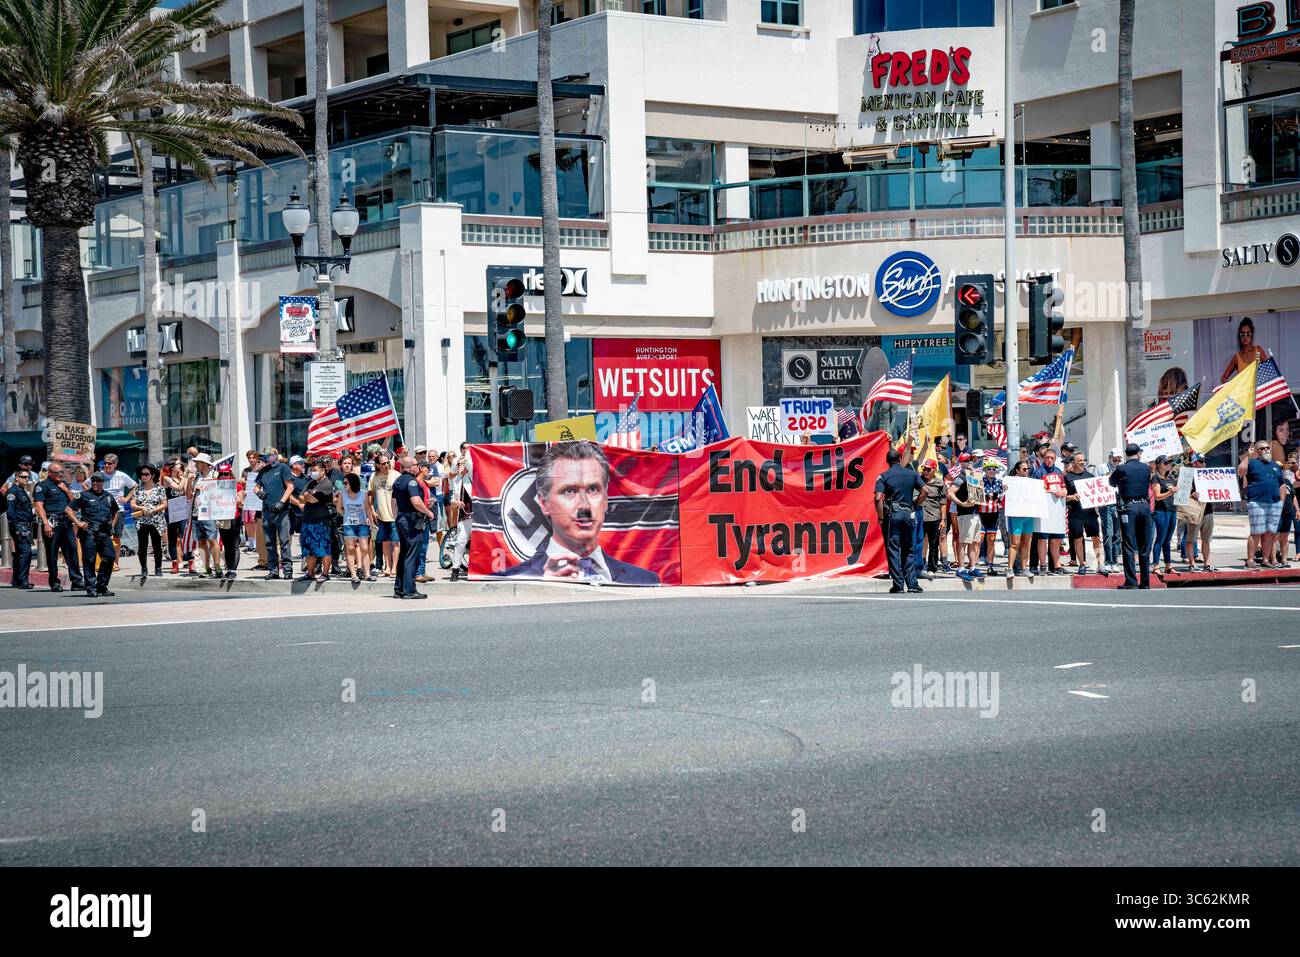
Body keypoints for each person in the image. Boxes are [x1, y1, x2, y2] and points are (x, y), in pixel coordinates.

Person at [496, 442, 661, 584]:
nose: (584, 505)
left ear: (605, 500)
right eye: (569, 491)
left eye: (593, 489)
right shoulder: (511, 583)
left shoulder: (645, 581)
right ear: (544, 504)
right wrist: (542, 591)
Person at [875, 447, 926, 594]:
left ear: (887, 462)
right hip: (909, 513)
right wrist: (916, 505)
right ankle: (912, 584)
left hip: (893, 515)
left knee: (893, 550)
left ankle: (898, 585)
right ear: (899, 459)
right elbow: (925, 491)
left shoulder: (884, 476)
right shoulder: (911, 474)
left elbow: (878, 498)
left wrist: (881, 517)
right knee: (908, 549)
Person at [32, 460, 84, 592]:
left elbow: (74, 503)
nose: (60, 474)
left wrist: (66, 490)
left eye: (61, 472)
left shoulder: (63, 485)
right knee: (52, 554)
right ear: (50, 473)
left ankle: (77, 581)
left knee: (71, 551)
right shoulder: (42, 486)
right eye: (57, 473)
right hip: (52, 522)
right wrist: (45, 524)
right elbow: (39, 506)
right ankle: (54, 582)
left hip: (66, 522)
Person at [1109, 443, 1153, 589]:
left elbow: (1111, 482)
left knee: (1128, 544)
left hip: (1129, 507)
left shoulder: (1122, 468)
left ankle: (1131, 581)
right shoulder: (1146, 468)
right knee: (1144, 545)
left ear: (1126, 454)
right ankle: (1146, 581)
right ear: (1138, 453)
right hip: (1144, 506)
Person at [67, 471, 119, 597]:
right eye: (93, 481)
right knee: (89, 560)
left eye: (98, 481)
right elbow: (69, 509)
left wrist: (112, 525)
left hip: (104, 533)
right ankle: (91, 587)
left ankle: (102, 586)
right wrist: (78, 523)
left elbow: (116, 511)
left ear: (103, 483)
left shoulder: (108, 496)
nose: (95, 483)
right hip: (89, 532)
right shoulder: (83, 495)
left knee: (109, 557)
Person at [392, 455, 436, 598]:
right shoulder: (412, 482)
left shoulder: (397, 481)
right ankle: (409, 591)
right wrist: (428, 512)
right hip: (411, 521)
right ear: (410, 467)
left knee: (404, 553)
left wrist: (397, 517)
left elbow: (393, 503)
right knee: (412, 556)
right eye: (416, 464)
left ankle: (399, 589)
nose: (418, 466)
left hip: (401, 519)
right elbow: (416, 501)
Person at [1239, 439, 1284, 569]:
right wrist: (1248, 455)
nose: (1266, 450)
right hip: (1257, 502)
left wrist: (1281, 502)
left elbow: (1281, 484)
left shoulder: (1275, 465)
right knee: (1256, 532)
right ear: (1257, 451)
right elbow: (1241, 471)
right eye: (1263, 448)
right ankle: (1250, 560)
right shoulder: (1252, 463)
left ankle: (1265, 559)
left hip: (1274, 503)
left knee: (1270, 533)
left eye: (1267, 448)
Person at [254, 448, 296, 580]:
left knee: (284, 541)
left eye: (267, 456)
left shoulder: (283, 468)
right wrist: (258, 492)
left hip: (281, 511)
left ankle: (287, 570)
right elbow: (256, 486)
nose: (265, 458)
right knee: (269, 542)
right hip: (267, 510)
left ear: (274, 455)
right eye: (264, 456)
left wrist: (282, 502)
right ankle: (273, 570)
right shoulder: (263, 470)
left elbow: (290, 486)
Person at [1062, 451, 1106, 576]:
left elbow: (1098, 494)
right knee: (1078, 538)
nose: (1082, 462)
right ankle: (1082, 564)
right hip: (1075, 513)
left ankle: (1100, 564)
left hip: (1090, 513)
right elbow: (1063, 497)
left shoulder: (1091, 476)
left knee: (1096, 538)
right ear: (1073, 462)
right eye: (1079, 460)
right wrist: (1071, 497)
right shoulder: (1067, 477)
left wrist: (1101, 500)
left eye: (1083, 460)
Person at [946, 453, 983, 582]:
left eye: (971, 460)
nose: (970, 462)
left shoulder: (973, 476)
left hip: (975, 512)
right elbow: (950, 493)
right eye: (967, 460)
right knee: (963, 541)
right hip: (965, 513)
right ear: (961, 463)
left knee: (974, 542)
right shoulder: (960, 477)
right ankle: (961, 568)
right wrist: (961, 503)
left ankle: (972, 567)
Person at [298, 459, 336, 583]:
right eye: (311, 470)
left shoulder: (326, 484)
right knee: (309, 548)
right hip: (308, 519)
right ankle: (310, 573)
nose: (312, 473)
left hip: (321, 521)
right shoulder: (310, 483)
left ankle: (325, 573)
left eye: (315, 470)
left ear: (323, 471)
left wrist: (308, 496)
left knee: (323, 547)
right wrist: (309, 495)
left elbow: (313, 500)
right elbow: (301, 499)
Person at [187, 453, 223, 578]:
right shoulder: (196, 476)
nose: (196, 465)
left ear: (204, 464)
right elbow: (189, 496)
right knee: (201, 542)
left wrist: (204, 488)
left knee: (213, 540)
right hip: (197, 512)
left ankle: (217, 567)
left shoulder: (216, 475)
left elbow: (221, 493)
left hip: (210, 512)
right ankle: (206, 568)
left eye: (198, 462)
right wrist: (189, 482)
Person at [337, 471, 376, 584]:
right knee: (350, 549)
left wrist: (371, 522)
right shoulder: (342, 494)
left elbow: (367, 509)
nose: (344, 485)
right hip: (349, 524)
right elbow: (339, 508)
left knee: (364, 548)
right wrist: (346, 514)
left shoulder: (363, 493)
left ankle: (367, 573)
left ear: (352, 483)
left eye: (346, 483)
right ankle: (353, 575)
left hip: (362, 523)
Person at [130, 464, 168, 578]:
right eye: (142, 474)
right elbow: (132, 504)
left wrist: (153, 510)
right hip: (141, 521)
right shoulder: (138, 489)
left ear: (152, 475)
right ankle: (144, 569)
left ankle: (158, 568)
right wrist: (141, 508)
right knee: (142, 546)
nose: (143, 476)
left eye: (146, 474)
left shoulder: (159, 488)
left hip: (156, 520)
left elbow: (164, 504)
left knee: (157, 545)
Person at [99, 453, 136, 571]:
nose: (107, 465)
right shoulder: (99, 475)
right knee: (101, 536)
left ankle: (115, 561)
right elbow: (86, 484)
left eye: (109, 463)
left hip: (118, 509)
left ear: (115, 464)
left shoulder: (121, 475)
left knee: (116, 536)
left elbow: (135, 486)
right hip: (102, 509)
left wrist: (126, 498)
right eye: (105, 463)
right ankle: (102, 561)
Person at [1182, 453, 1217, 573]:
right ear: (1195, 463)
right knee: (1191, 539)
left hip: (1208, 510)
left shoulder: (1210, 475)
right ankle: (1192, 563)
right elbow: (1180, 494)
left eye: (1204, 461)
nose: (1204, 464)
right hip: (1194, 510)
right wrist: (1191, 495)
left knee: (1206, 539)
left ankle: (1207, 563)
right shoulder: (1187, 475)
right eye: (1201, 462)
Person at [369, 453, 400, 578]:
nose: (386, 465)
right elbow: (370, 493)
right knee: (385, 542)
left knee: (396, 542)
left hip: (394, 515)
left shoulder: (396, 475)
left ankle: (395, 568)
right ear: (377, 465)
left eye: (387, 462)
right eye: (383, 463)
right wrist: (372, 509)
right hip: (381, 515)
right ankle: (387, 568)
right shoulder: (374, 476)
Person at [5, 467, 36, 589]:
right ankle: (23, 581)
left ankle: (17, 580)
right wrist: (15, 526)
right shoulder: (13, 492)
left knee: (19, 553)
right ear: (16, 478)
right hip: (19, 525)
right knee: (26, 552)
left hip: (25, 525)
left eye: (27, 477)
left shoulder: (21, 490)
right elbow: (10, 511)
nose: (26, 479)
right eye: (23, 477)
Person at [1148, 455, 1177, 576]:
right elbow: (1158, 496)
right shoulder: (1155, 478)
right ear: (1159, 464)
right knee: (1160, 539)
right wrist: (1170, 492)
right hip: (1161, 512)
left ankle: (1168, 565)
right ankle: (1156, 566)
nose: (1168, 464)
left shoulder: (1170, 479)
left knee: (1168, 540)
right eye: (1166, 463)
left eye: (1169, 462)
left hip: (1172, 510)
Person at [162, 458, 192, 575]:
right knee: (173, 537)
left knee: (185, 536)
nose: (180, 465)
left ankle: (190, 561)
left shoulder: (182, 478)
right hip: (171, 510)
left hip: (182, 509)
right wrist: (185, 476)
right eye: (178, 464)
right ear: (172, 466)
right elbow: (178, 488)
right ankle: (174, 562)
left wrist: (187, 480)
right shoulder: (166, 478)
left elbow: (185, 491)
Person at [1006, 459, 1035, 576]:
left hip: (1029, 515)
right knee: (1015, 543)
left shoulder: (1032, 482)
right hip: (1017, 516)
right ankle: (1010, 569)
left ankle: (1024, 568)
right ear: (1017, 471)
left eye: (1028, 469)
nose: (1027, 471)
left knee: (1026, 543)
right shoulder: (1011, 482)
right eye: (1024, 469)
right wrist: (1005, 488)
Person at [977, 459, 1005, 578]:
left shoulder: (999, 482)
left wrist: (1004, 491)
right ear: (985, 470)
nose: (992, 471)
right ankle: (973, 565)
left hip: (994, 514)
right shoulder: (979, 481)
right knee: (979, 540)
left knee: (991, 540)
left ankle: (990, 566)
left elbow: (1001, 497)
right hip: (981, 513)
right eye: (989, 469)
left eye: (994, 469)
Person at [240, 449, 267, 568]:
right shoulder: (246, 471)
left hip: (262, 501)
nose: (251, 460)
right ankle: (261, 557)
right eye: (249, 458)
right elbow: (242, 482)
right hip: (250, 500)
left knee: (265, 531)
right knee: (251, 523)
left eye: (253, 457)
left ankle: (272, 560)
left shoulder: (263, 467)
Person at [1221, 316, 1268, 384]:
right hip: (1244, 394)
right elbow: (1224, 378)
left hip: (1259, 392)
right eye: (1242, 334)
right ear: (1239, 336)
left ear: (1251, 335)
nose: (1245, 336)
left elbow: (1269, 371)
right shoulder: (1237, 357)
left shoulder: (1258, 350)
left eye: (1248, 334)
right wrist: (1232, 390)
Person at [919, 460, 946, 574]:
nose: (925, 471)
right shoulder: (919, 480)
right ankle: (919, 566)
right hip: (920, 516)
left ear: (934, 470)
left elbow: (943, 503)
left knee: (934, 544)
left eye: (928, 469)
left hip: (934, 517)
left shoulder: (939, 484)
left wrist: (943, 519)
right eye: (924, 469)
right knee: (918, 543)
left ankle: (932, 568)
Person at [216, 461, 241, 580]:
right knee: (226, 544)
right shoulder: (215, 486)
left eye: (226, 473)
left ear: (230, 474)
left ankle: (232, 569)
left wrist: (237, 498)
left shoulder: (237, 485)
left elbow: (241, 503)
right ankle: (228, 567)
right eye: (221, 474)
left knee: (234, 544)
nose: (224, 476)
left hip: (234, 517)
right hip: (222, 517)